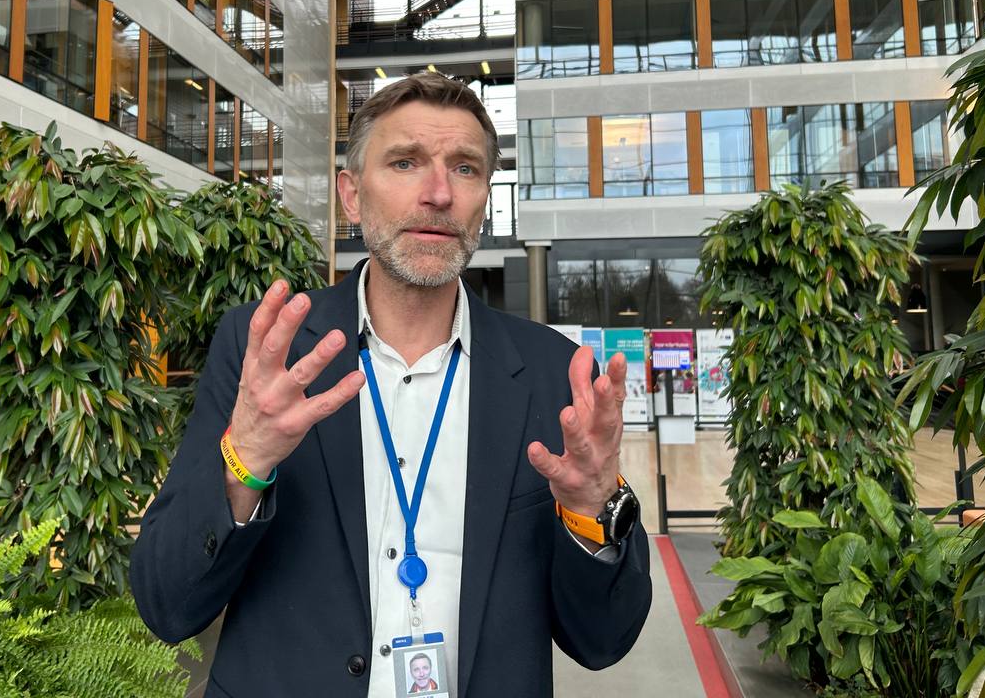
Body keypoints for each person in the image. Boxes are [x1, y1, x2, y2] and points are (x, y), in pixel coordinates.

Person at [132, 72, 651, 697]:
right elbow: (167, 605)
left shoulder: (554, 373)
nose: (438, 193)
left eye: (464, 168)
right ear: (351, 195)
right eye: (405, 163)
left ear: (485, 198)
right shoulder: (268, 354)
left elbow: (603, 641)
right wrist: (246, 463)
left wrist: (593, 510)